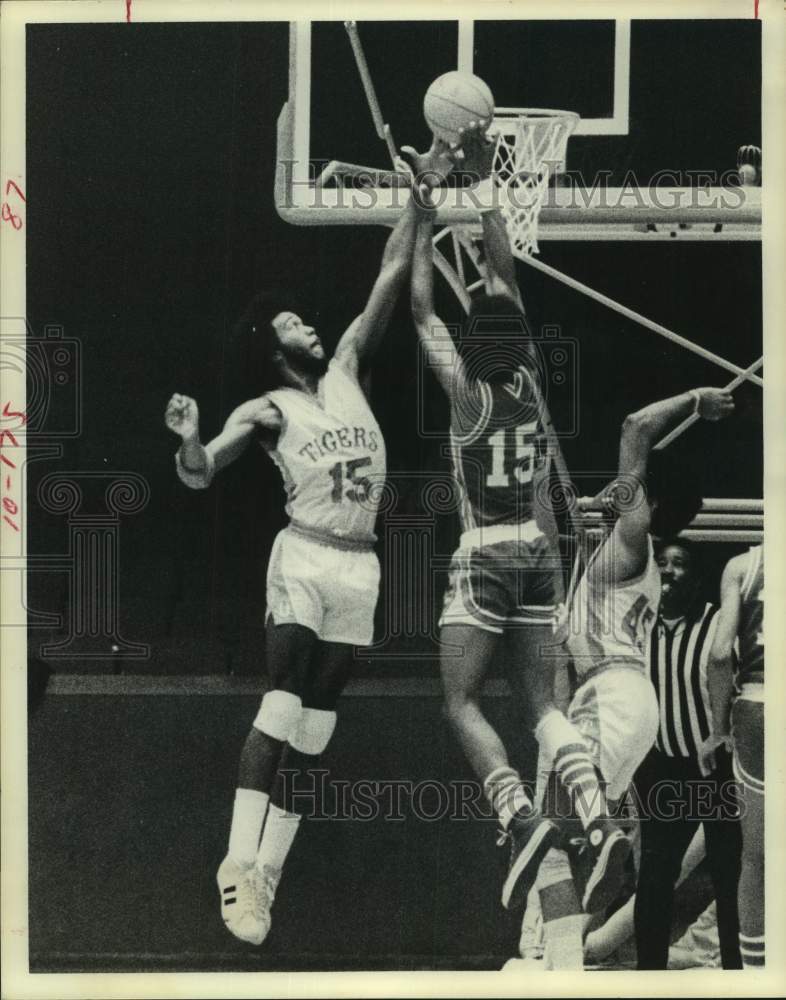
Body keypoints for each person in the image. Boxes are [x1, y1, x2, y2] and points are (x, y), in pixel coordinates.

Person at [165, 145, 452, 946]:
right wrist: (190, 440)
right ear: (271, 346)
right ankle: (235, 865)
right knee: (284, 698)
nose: (313, 325)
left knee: (319, 730)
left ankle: (269, 877)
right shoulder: (264, 409)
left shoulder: (351, 366)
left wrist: (421, 199)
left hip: (360, 566)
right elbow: (200, 475)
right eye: (295, 323)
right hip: (304, 556)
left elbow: (391, 274)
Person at [410, 128, 627, 916]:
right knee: (543, 707)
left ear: (472, 346)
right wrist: (485, 184)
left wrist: (425, 199)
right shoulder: (533, 382)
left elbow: (419, 305)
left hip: (485, 550)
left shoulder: (464, 392)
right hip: (539, 552)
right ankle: (599, 820)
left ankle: (519, 818)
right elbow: (501, 274)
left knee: (461, 702)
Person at [528, 386, 734, 969]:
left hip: (615, 694)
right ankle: (564, 959)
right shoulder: (610, 562)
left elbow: (634, 425)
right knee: (555, 836)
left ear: (647, 501)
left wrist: (698, 400)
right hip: (626, 704)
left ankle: (601, 847)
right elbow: (549, 519)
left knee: (559, 830)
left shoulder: (630, 541)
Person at [633, 538, 741, 969]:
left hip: (716, 771)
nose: (671, 570)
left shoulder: (717, 624)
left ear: (697, 577)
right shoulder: (638, 627)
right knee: (655, 878)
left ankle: (738, 973)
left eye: (681, 564)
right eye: (662, 563)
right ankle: (649, 977)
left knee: (729, 876)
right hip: (662, 769)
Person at [700, 544, 764, 968]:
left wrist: (718, 729)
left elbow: (720, 655)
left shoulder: (744, 566)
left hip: (760, 706)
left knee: (757, 858)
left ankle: (758, 978)